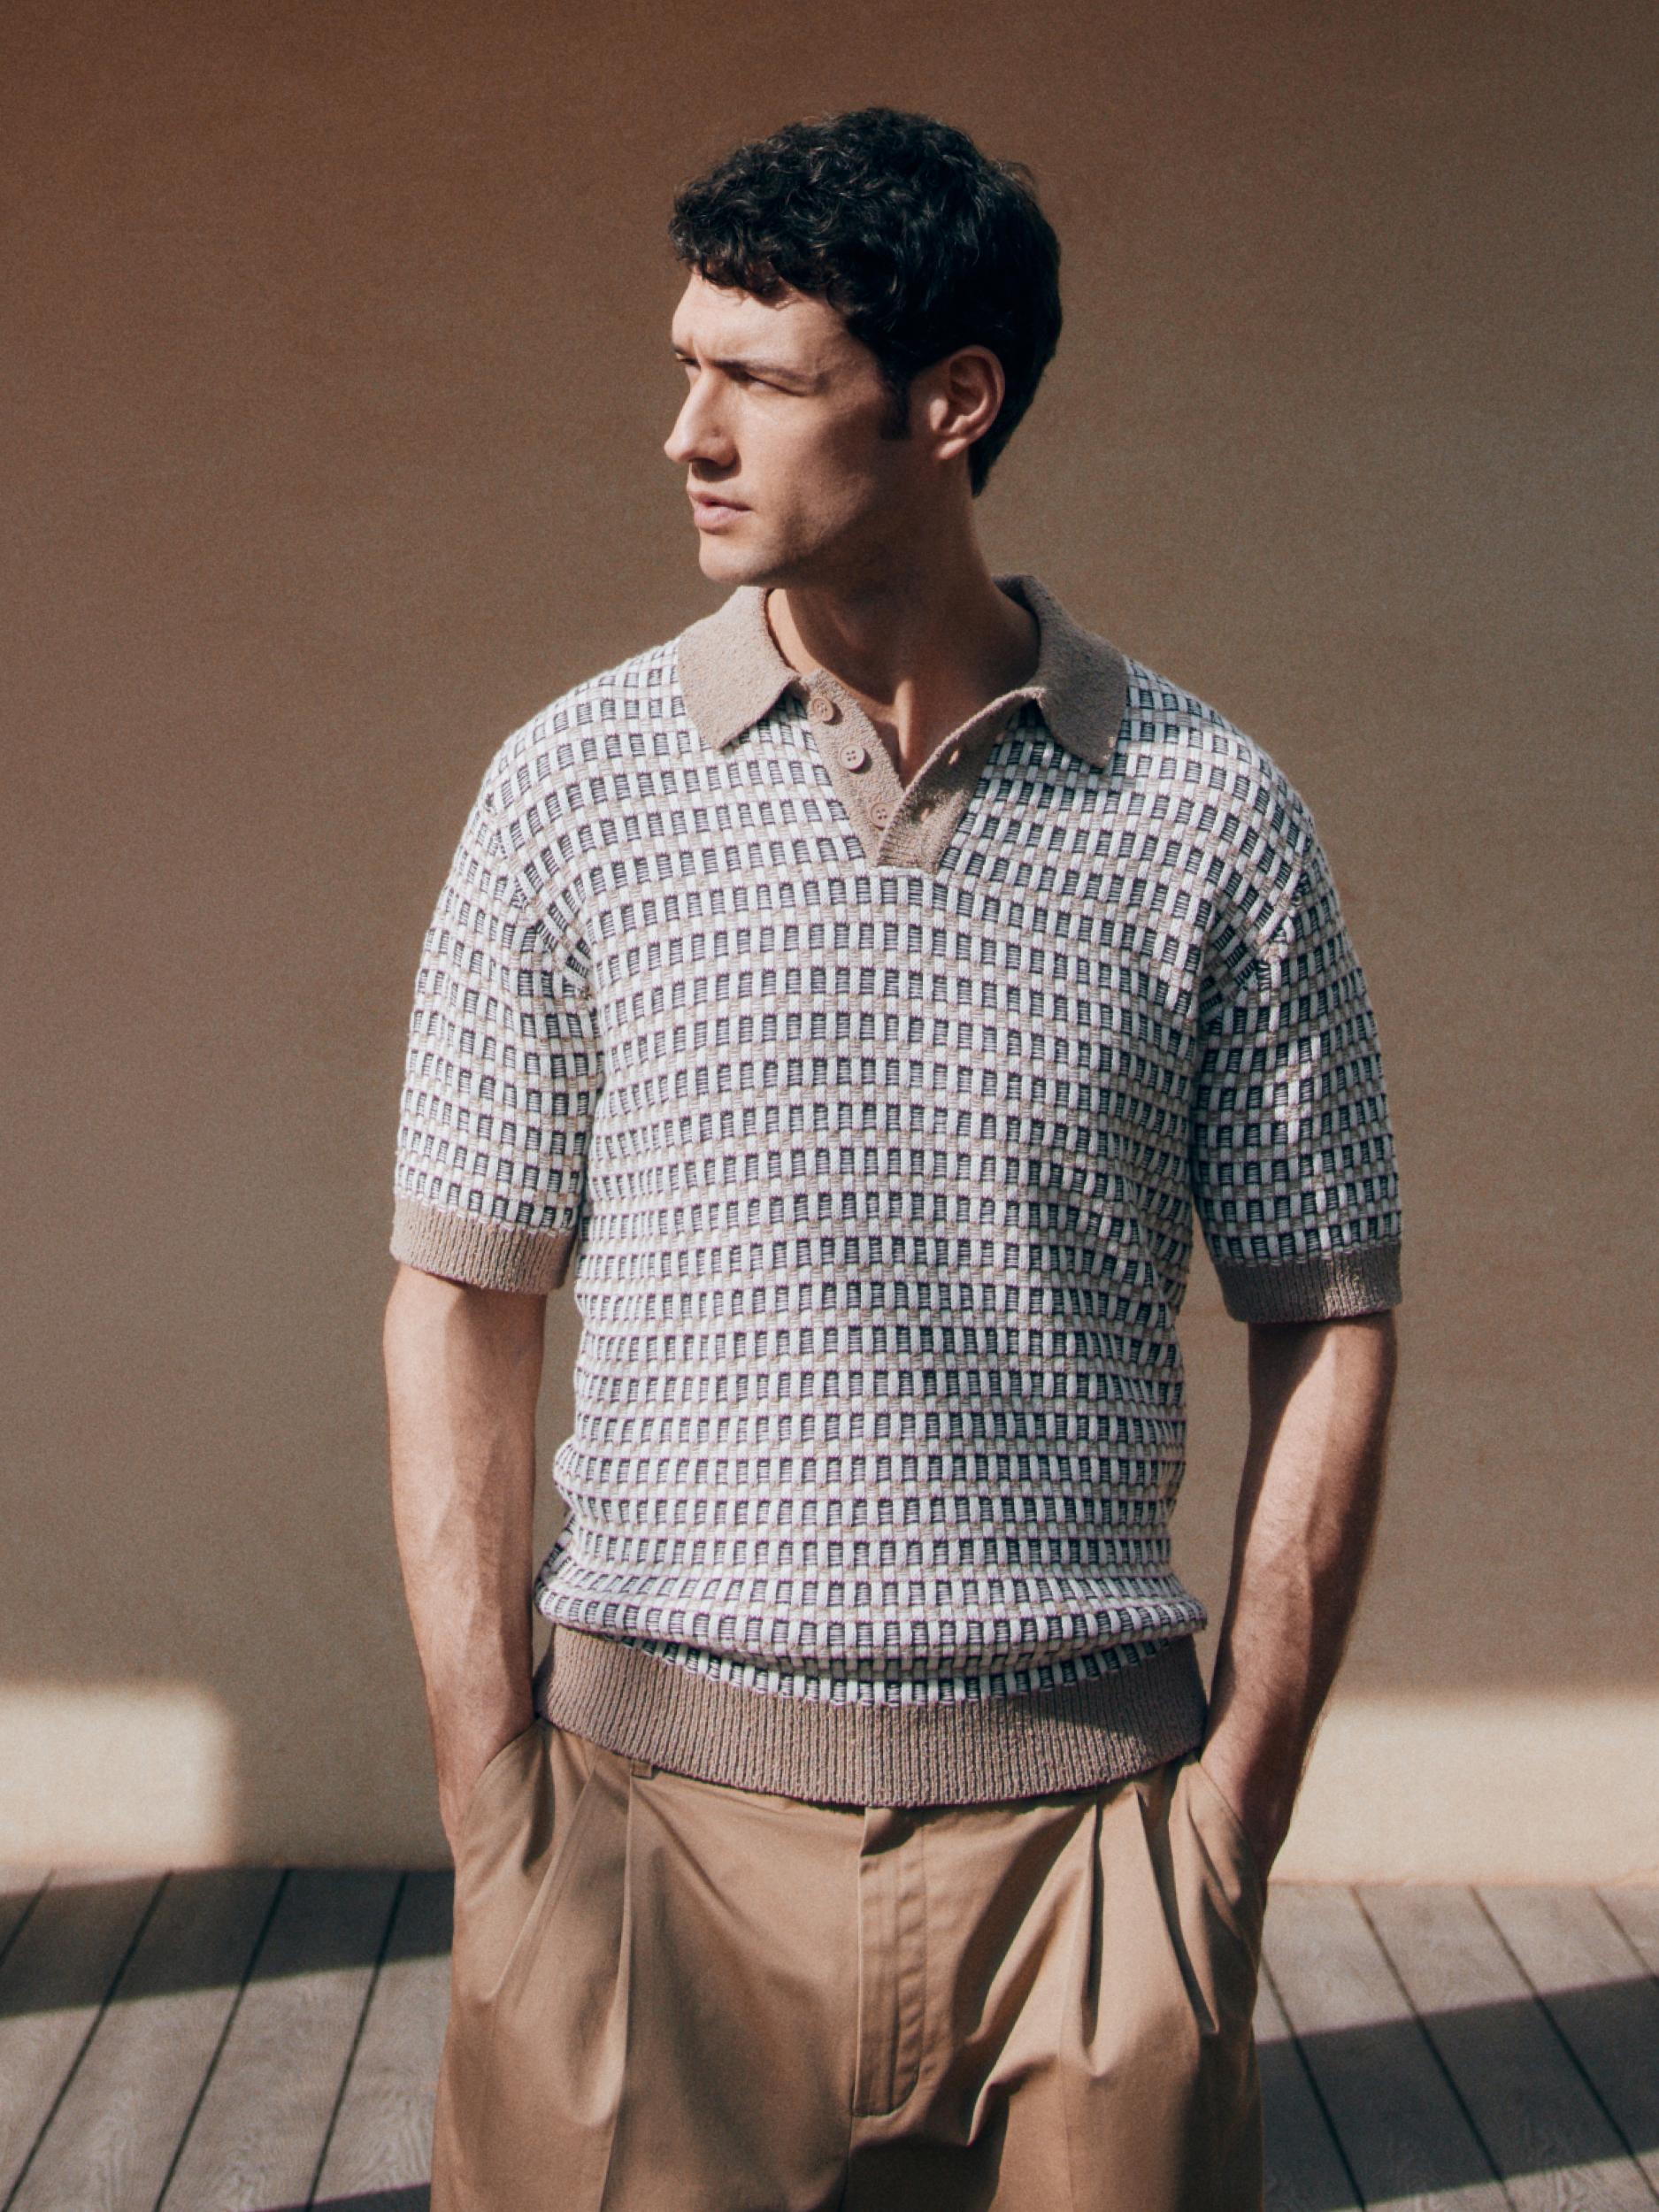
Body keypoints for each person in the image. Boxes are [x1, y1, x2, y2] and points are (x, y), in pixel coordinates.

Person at [382, 105, 1401, 2212]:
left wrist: (1228, 1819)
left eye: (756, 379)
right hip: (641, 1856)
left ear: (950, 403)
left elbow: (1328, 1311)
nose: (686, 432)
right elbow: (461, 1301)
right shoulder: (567, 792)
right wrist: (493, 1808)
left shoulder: (1209, 816)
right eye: (685, 366)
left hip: (1093, 1863)